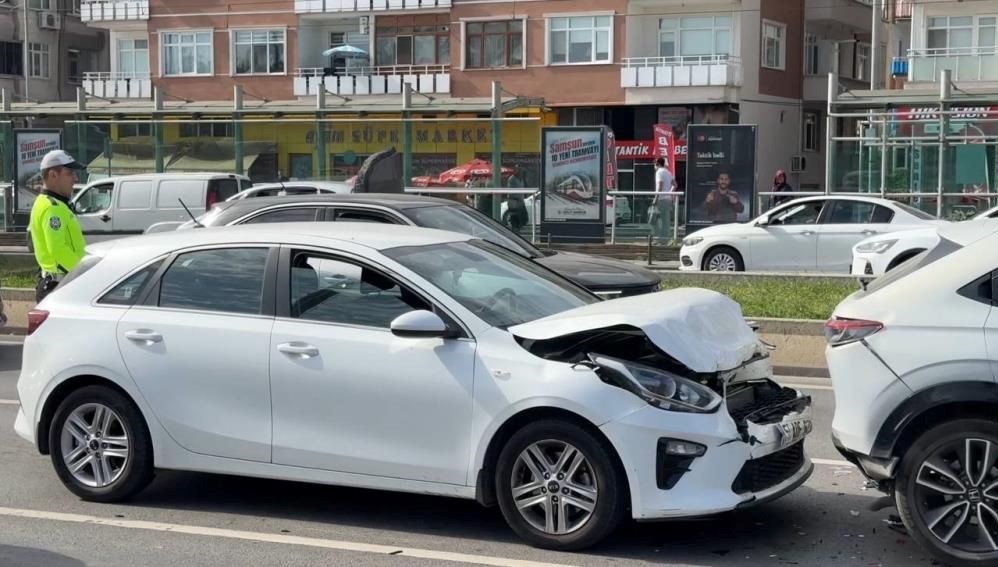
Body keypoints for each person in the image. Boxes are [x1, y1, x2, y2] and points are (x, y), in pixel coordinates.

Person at [29, 150, 87, 302]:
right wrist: (84, 273)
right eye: (70, 173)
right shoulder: (51, 207)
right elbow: (58, 249)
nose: (75, 178)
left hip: (60, 284)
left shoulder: (54, 204)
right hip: (59, 286)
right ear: (53, 175)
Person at [649, 157, 675, 240]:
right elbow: (675, 185)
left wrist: (655, 199)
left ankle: (658, 237)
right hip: (668, 199)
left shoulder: (659, 172)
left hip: (661, 199)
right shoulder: (668, 172)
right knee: (665, 221)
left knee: (653, 219)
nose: (654, 166)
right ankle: (665, 239)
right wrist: (669, 193)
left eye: (655, 164)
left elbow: (660, 186)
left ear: (658, 164)